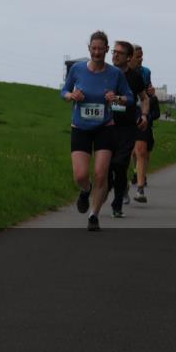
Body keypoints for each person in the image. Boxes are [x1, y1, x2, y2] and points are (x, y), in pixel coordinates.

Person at [61, 31, 134, 231]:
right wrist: (71, 95)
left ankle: (94, 215)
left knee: (101, 174)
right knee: (81, 175)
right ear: (89, 49)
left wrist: (117, 98)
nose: (97, 52)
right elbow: (63, 91)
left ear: (106, 50)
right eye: (93, 48)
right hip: (81, 128)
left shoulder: (115, 74)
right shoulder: (77, 69)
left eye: (100, 49)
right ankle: (86, 190)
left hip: (105, 128)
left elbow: (130, 98)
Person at [107, 41, 149, 217]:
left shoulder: (135, 77)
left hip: (127, 127)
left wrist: (145, 116)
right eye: (113, 52)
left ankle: (117, 205)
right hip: (106, 126)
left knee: (120, 164)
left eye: (119, 53)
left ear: (129, 57)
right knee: (106, 168)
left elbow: (144, 98)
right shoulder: (105, 73)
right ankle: (100, 191)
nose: (115, 55)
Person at [130, 45, 157, 201]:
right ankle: (123, 186)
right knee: (128, 153)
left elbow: (146, 92)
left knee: (141, 150)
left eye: (142, 56)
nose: (141, 59)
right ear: (129, 57)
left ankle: (140, 189)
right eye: (138, 56)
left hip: (141, 114)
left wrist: (150, 93)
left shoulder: (146, 72)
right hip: (124, 115)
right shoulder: (118, 72)